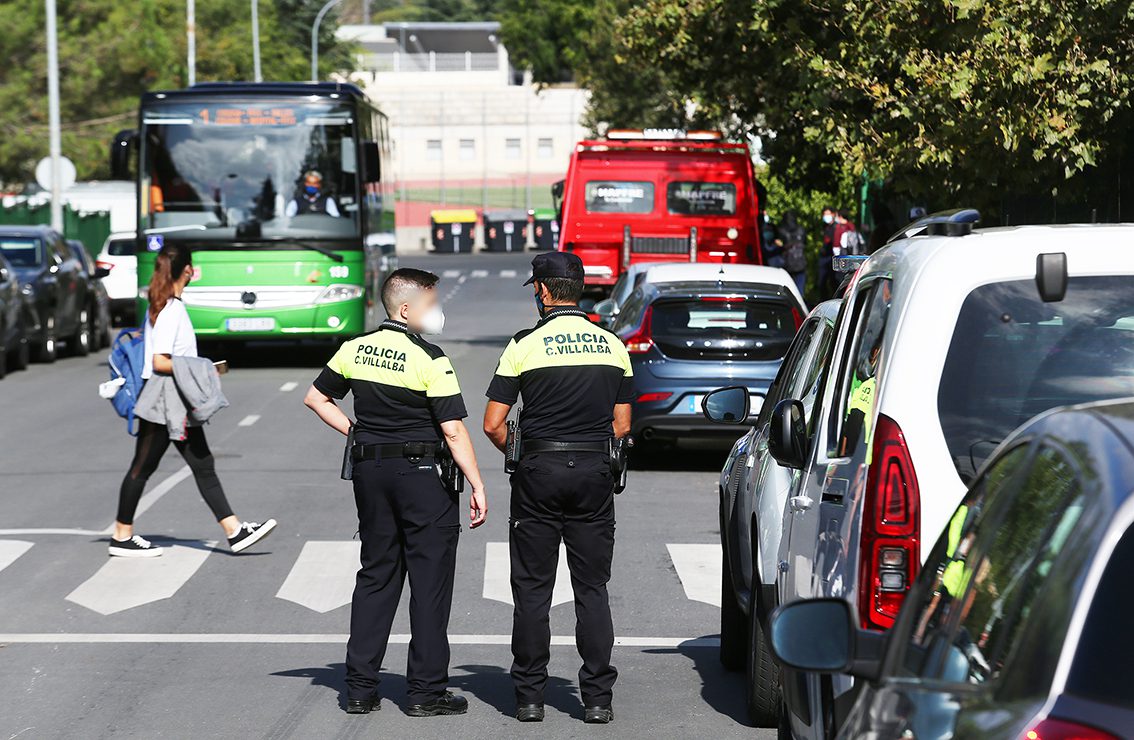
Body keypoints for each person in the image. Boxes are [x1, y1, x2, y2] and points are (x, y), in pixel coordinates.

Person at [303, 268, 487, 717]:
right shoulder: (431, 358)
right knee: (429, 582)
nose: (438, 311)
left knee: (377, 574)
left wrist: (357, 433)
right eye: (432, 304)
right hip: (422, 475)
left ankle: (360, 689)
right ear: (405, 309)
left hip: (371, 471)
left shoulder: (355, 347)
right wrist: (478, 484)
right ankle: (426, 692)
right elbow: (452, 430)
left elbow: (316, 398)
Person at [483, 252, 634, 725]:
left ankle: (530, 697)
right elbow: (622, 425)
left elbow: (492, 423)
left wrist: (523, 453)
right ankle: (597, 699)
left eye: (535, 288)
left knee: (532, 589)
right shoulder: (612, 344)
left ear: (544, 291)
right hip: (593, 471)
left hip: (539, 471)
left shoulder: (524, 345)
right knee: (592, 588)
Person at [111, 244, 277, 557]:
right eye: (193, 266)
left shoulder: (164, 304)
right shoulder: (170, 309)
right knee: (143, 467)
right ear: (187, 270)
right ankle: (121, 535)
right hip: (164, 397)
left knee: (201, 463)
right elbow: (160, 360)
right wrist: (201, 368)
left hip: (175, 396)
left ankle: (234, 530)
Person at [777, 211, 808, 295]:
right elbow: (805, 243)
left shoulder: (781, 231)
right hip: (800, 263)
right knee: (800, 291)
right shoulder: (801, 230)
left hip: (787, 264)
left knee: (787, 291)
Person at [818, 206, 837, 299]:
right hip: (824, 256)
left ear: (833, 214)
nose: (826, 216)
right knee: (821, 282)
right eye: (824, 214)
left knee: (834, 281)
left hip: (832, 256)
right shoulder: (824, 227)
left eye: (828, 214)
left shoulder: (836, 227)